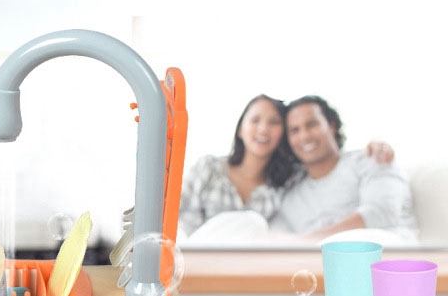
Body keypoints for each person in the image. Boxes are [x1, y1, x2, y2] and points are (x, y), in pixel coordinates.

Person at [178, 95, 394, 241]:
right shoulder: (209, 168)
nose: (263, 129)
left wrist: (376, 146)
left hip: (246, 271)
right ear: (241, 129)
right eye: (255, 120)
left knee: (257, 225)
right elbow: (179, 225)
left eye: (274, 122)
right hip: (194, 260)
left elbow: (326, 161)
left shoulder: (288, 182)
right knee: (251, 222)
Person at [270, 95, 418, 241]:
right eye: (295, 130)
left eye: (312, 124)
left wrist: (308, 241)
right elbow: (277, 242)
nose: (304, 136)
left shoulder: (372, 159)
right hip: (321, 263)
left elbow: (381, 212)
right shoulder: (290, 196)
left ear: (332, 125)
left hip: (389, 257)